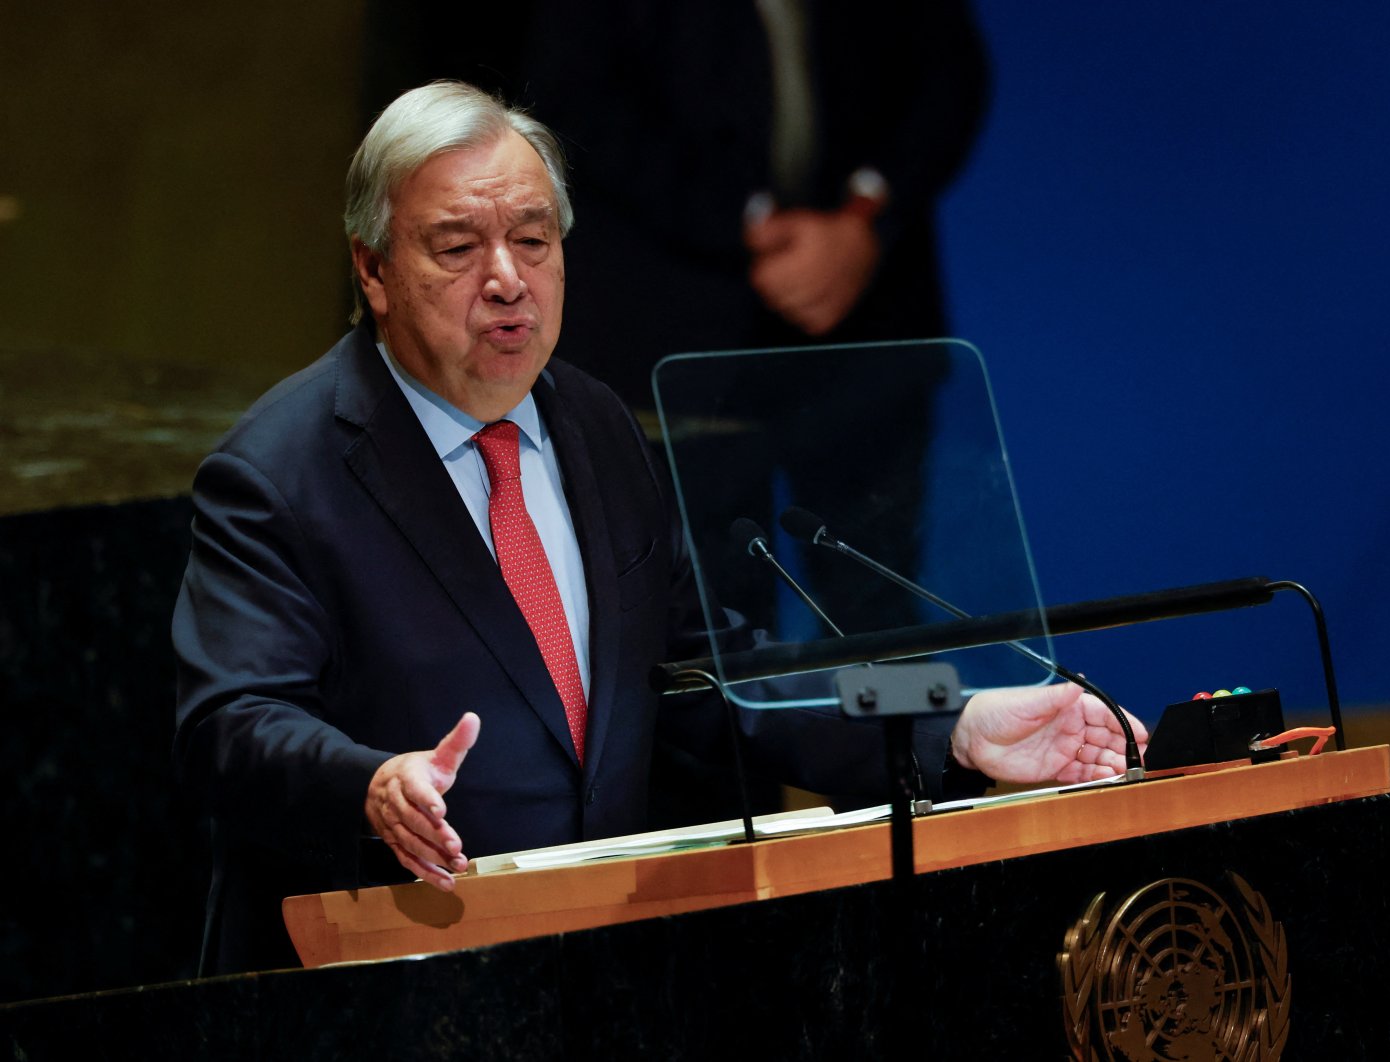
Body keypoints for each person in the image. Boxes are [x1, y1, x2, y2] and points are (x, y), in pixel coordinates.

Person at [172, 82, 1144, 975]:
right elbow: (231, 725)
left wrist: (953, 719)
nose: (507, 279)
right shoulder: (280, 473)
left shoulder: (596, 427)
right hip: (370, 984)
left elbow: (716, 676)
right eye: (458, 247)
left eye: (535, 238)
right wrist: (372, 784)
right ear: (373, 269)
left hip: (589, 977)